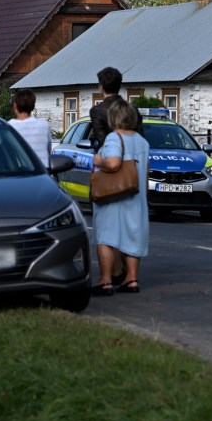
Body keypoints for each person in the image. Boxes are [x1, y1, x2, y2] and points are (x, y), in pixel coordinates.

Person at [91, 99, 149, 296]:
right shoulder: (143, 142)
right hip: (136, 196)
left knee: (106, 237)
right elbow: (146, 171)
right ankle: (131, 279)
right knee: (133, 237)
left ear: (113, 118)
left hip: (113, 197)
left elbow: (114, 163)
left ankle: (106, 280)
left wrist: (99, 160)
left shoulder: (114, 138)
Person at [89, 66, 143, 153]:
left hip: (109, 157)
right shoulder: (132, 108)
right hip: (133, 156)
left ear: (101, 87)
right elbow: (140, 135)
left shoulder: (97, 111)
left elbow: (102, 139)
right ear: (120, 86)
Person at [7, 89, 51, 168]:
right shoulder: (44, 125)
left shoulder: (8, 127)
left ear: (15, 106)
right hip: (42, 173)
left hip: (17, 172)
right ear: (33, 106)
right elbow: (48, 150)